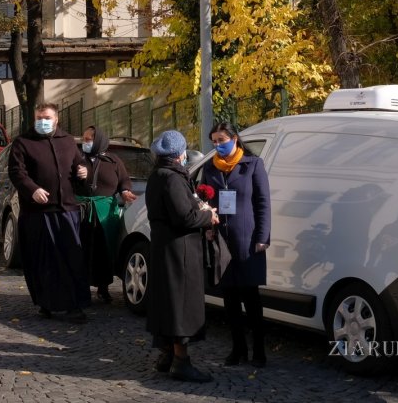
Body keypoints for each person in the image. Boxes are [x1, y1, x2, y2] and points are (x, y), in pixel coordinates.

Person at [6, 102, 91, 322]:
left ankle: (74, 305)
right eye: (39, 118)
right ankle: (46, 301)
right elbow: (17, 172)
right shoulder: (23, 142)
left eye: (47, 117)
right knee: (44, 261)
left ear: (56, 119)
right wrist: (32, 190)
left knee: (71, 258)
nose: (42, 121)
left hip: (66, 209)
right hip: (38, 213)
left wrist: (83, 171)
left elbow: (80, 166)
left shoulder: (69, 141)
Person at [146, 129, 220, 382]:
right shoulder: (172, 178)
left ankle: (166, 355)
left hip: (164, 248)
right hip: (180, 251)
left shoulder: (157, 175)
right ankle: (181, 360)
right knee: (180, 306)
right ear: (180, 154)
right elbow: (184, 217)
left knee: (167, 303)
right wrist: (208, 216)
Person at [200, 122, 271, 367]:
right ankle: (238, 348)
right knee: (229, 298)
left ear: (234, 139)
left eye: (221, 140)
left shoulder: (252, 165)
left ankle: (259, 350)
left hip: (248, 240)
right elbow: (204, 202)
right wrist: (208, 227)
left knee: (251, 297)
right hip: (222, 240)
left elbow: (263, 203)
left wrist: (263, 237)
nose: (218, 145)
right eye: (214, 141)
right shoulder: (210, 168)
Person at [75, 125, 138, 302]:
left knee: (104, 248)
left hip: (105, 212)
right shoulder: (78, 159)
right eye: (84, 139)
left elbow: (123, 181)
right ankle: (81, 287)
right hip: (82, 209)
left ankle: (103, 287)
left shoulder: (113, 161)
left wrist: (125, 192)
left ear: (99, 141)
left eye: (88, 139)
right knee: (82, 248)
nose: (84, 142)